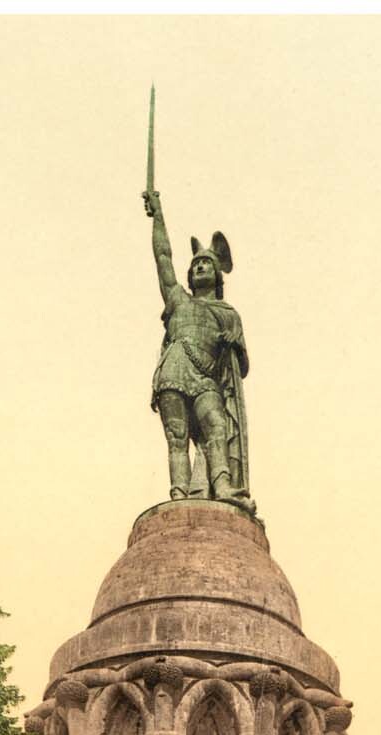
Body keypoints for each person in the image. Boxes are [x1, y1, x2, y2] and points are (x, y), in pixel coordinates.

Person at [142, 187, 255, 514]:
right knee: (177, 437)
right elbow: (163, 258)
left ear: (217, 274)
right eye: (196, 265)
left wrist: (232, 347)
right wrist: (158, 215)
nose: (200, 267)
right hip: (174, 370)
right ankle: (179, 496)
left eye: (206, 263)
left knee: (216, 426)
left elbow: (239, 369)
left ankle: (221, 486)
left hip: (206, 379)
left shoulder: (227, 314)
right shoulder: (178, 300)